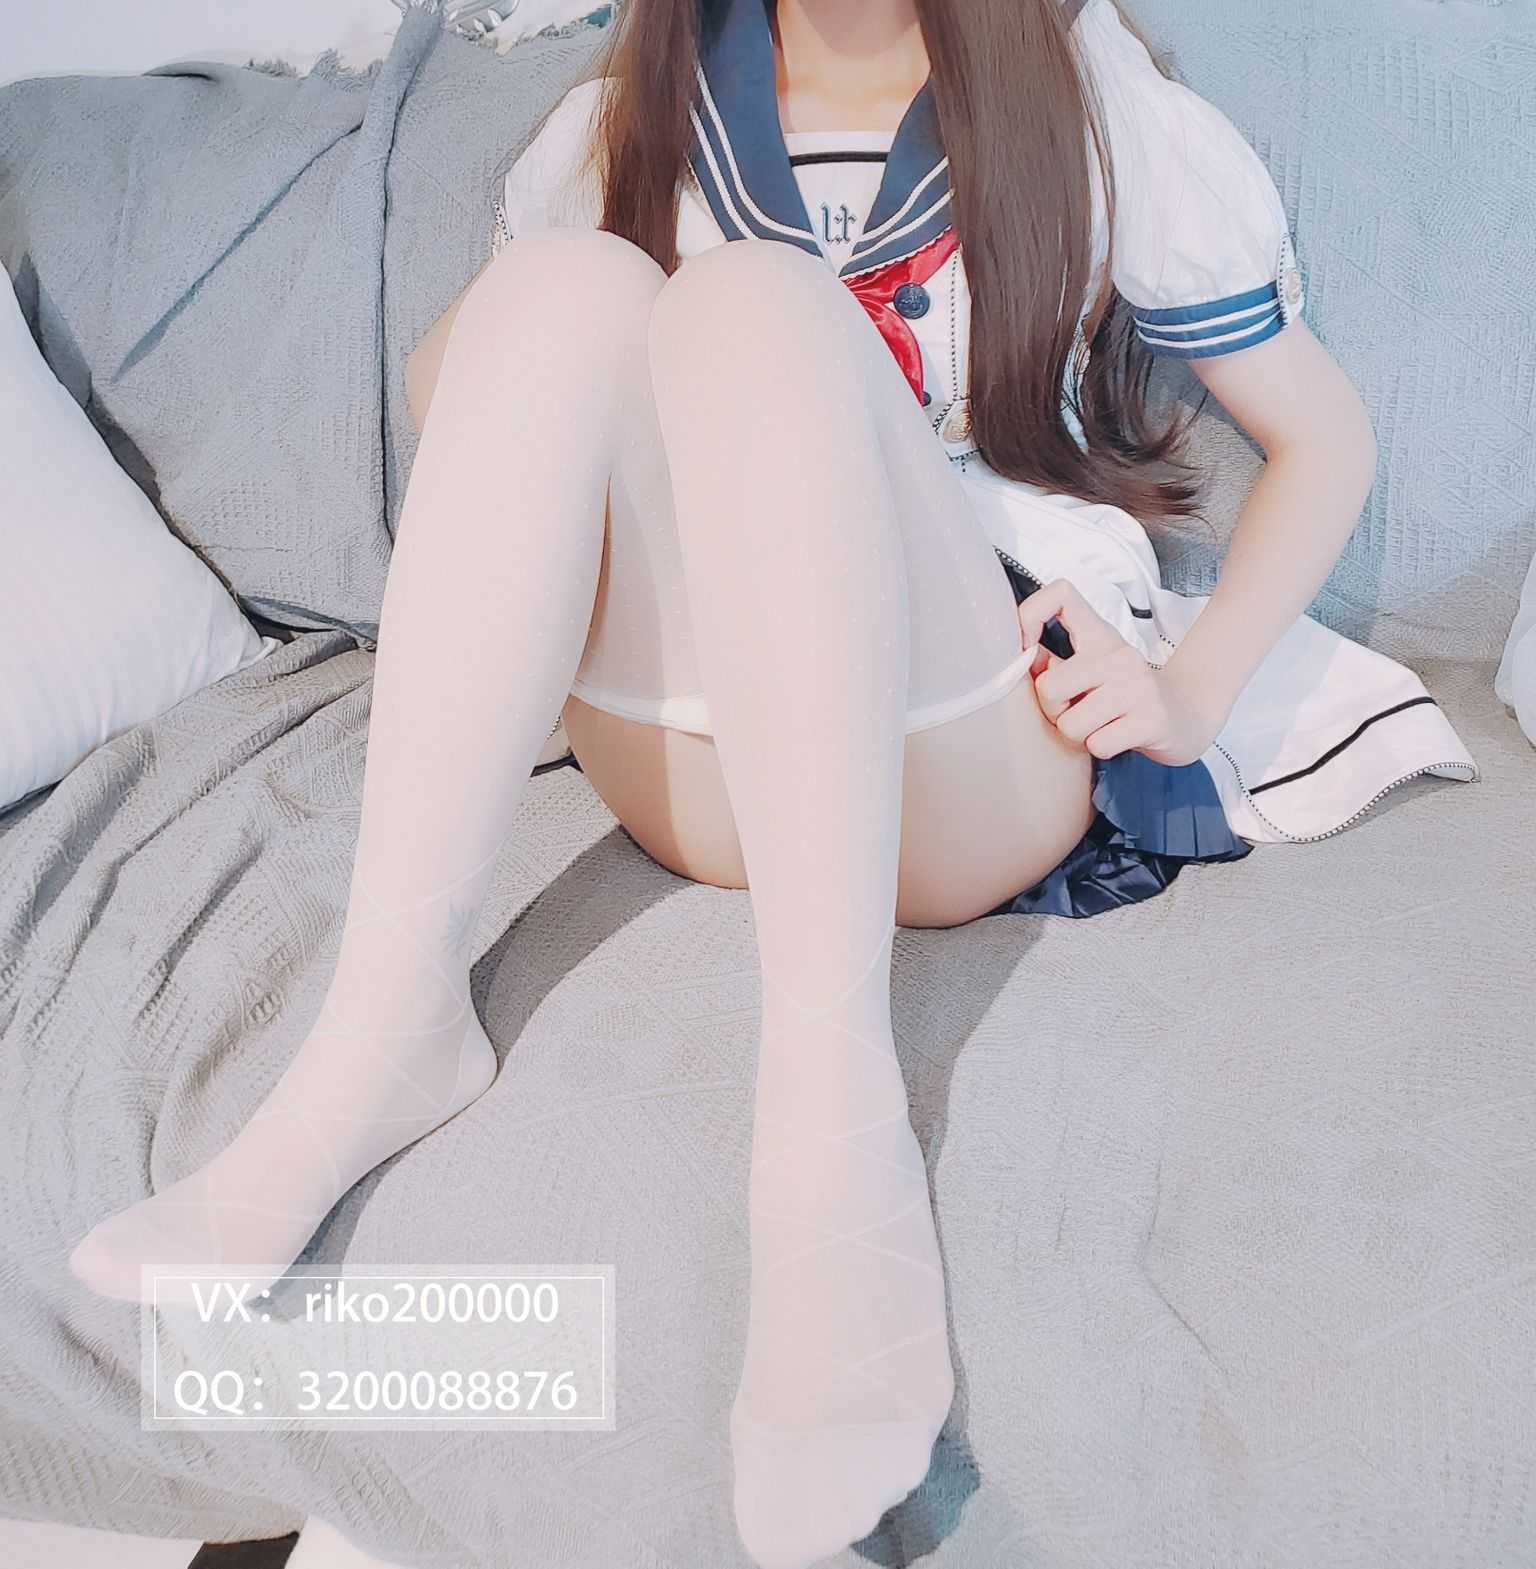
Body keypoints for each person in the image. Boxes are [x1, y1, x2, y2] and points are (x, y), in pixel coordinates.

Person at [69, 1, 1480, 1565]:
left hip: (966, 750)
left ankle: (831, 1142)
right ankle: (385, 1024)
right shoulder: (644, 101)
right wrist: (571, 305)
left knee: (752, 301)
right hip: (702, 750)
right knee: (562, 289)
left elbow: (1323, 437)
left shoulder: (1077, 88)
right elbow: (459, 410)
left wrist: (1189, 686)